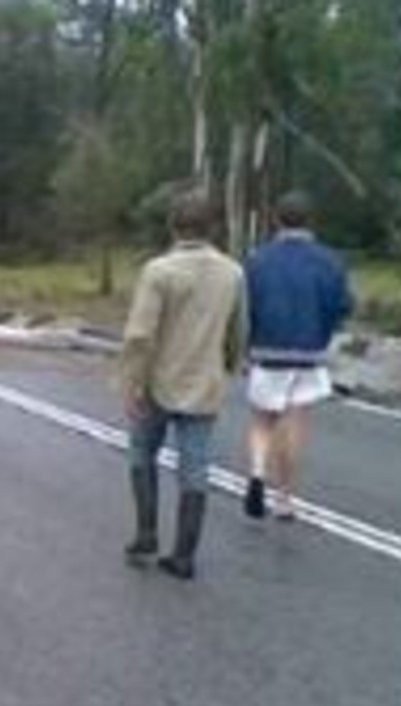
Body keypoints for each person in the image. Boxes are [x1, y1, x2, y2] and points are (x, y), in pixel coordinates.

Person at [121, 189, 248, 581]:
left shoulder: (159, 271)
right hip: (204, 381)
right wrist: (228, 363)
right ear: (212, 228)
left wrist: (132, 384)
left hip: (160, 380)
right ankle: (184, 555)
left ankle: (146, 534)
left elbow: (141, 335)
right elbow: (238, 329)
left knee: (142, 453)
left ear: (172, 225)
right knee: (195, 466)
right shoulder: (233, 272)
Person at [243, 191, 354, 522]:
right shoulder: (330, 261)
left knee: (263, 419)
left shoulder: (257, 259)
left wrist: (245, 345)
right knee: (294, 421)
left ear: (277, 219)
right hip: (308, 351)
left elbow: (244, 306)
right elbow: (343, 306)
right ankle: (285, 498)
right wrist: (325, 330)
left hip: (265, 350)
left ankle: (257, 472)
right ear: (311, 222)